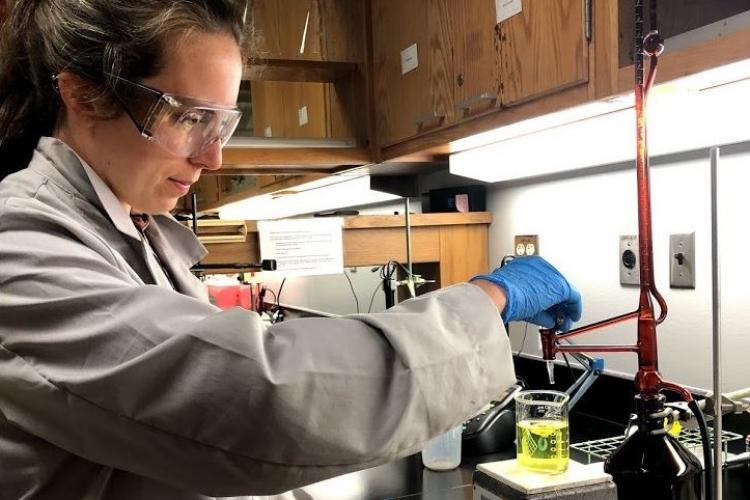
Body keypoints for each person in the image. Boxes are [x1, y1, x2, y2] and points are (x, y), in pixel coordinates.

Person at [0, 1, 582, 499]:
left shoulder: (133, 226)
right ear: (84, 95)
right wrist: (488, 299)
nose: (213, 159)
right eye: (188, 118)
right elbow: (263, 397)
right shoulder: (21, 248)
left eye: (220, 124)